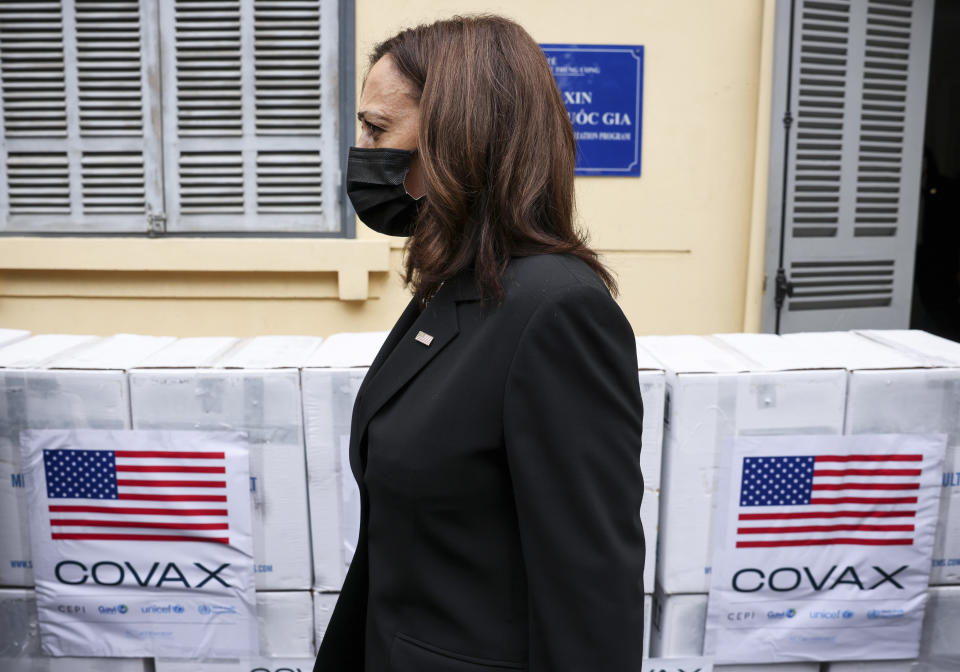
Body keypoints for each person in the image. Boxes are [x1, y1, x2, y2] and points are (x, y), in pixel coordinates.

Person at [315, 15, 645, 672]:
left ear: (458, 136)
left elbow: (589, 599)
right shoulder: (462, 287)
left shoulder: (558, 311)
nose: (360, 148)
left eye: (377, 129)